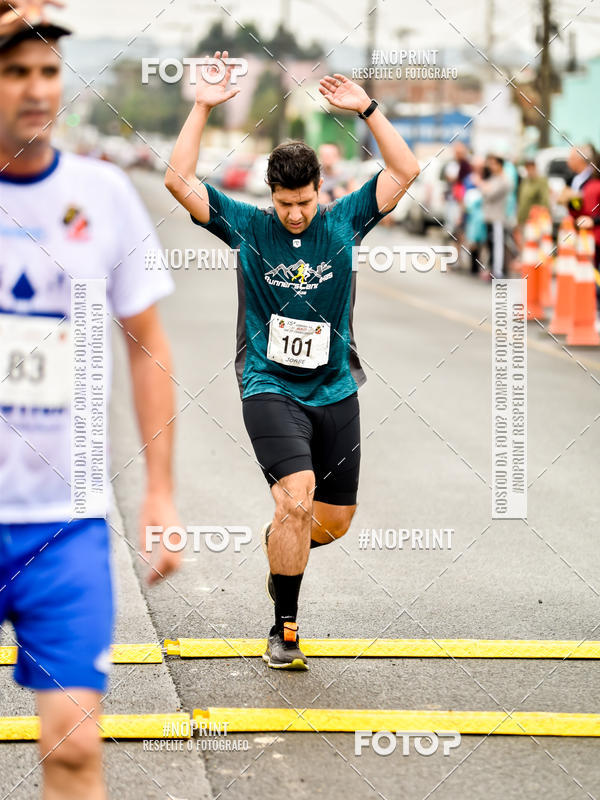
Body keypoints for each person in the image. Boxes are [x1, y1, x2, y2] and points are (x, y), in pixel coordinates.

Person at [166, 51, 420, 670]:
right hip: (268, 385)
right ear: (270, 196)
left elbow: (406, 169)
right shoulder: (250, 227)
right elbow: (179, 181)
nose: (296, 213)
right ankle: (285, 630)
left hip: (335, 389)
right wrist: (201, 105)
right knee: (296, 500)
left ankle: (284, 546)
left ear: (320, 192)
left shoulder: (346, 221)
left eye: (304, 201)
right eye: (286, 203)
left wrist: (367, 109)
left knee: (328, 523)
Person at [0, 4, 180, 797]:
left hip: (63, 526)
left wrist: (160, 492)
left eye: (46, 71)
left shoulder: (102, 194)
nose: (35, 90)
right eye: (14, 72)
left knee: (74, 751)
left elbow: (149, 346)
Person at [560, 144, 600, 289]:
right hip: (582, 233)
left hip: (595, 235)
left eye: (571, 158)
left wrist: (593, 220)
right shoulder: (574, 179)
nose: (568, 162)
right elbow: (580, 207)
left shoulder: (594, 181)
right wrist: (569, 202)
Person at [472, 154, 511, 278]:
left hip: (497, 218)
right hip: (489, 217)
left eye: (494, 164)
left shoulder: (504, 180)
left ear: (500, 165)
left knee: (498, 245)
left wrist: (481, 185)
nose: (491, 167)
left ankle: (498, 271)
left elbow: (490, 193)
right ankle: (493, 268)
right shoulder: (494, 178)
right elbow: (485, 190)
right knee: (490, 245)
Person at [517, 158, 550, 227]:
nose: (530, 171)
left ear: (535, 167)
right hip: (523, 218)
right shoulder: (525, 181)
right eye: (528, 168)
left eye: (531, 168)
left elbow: (545, 201)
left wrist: (543, 218)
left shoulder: (541, 182)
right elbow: (521, 200)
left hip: (535, 220)